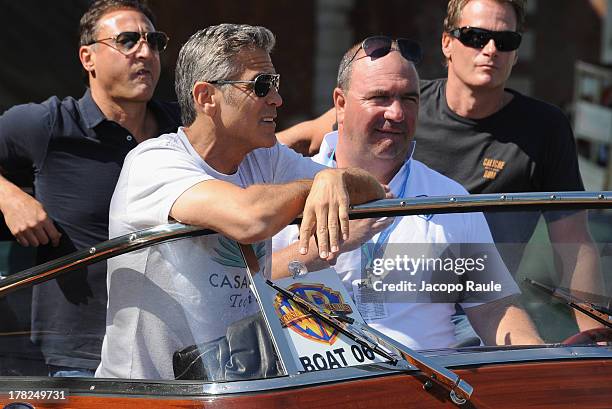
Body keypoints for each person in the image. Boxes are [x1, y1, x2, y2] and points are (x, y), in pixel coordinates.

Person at [278, 0, 603, 333]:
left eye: (506, 41)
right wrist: (309, 179)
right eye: (476, 36)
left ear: (517, 52)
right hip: (396, 292)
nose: (490, 49)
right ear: (447, 42)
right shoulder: (401, 99)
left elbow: (574, 242)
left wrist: (593, 337)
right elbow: (300, 139)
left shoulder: (541, 129)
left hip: (468, 299)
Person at [95, 24, 384, 380]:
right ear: (206, 97)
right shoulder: (152, 162)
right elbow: (250, 219)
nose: (277, 99)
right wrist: (316, 185)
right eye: (261, 86)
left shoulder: (265, 158)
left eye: (275, 85)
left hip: (230, 387)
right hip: (145, 394)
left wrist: (336, 177)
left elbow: (374, 191)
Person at [272, 36, 543, 350]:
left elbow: (494, 308)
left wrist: (544, 367)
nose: (397, 113)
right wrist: (324, 248)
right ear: (341, 104)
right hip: (315, 388)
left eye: (409, 98)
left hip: (426, 388)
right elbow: (242, 285)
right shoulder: (287, 186)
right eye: (381, 97)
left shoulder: (449, 199)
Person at [0, 0, 181, 376]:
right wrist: (7, 194)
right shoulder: (48, 125)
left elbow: (255, 150)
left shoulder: (183, 129)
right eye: (128, 40)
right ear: (88, 58)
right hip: (77, 362)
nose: (145, 52)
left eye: (154, 41)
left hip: (177, 352)